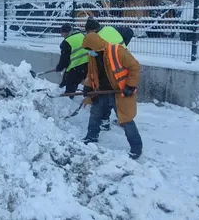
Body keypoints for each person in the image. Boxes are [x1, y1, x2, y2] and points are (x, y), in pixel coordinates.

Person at [80, 31, 143, 160]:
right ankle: (91, 137)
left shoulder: (116, 51)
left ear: (96, 46)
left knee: (126, 120)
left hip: (119, 92)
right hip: (101, 91)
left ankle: (136, 148)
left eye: (90, 49)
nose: (89, 52)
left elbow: (134, 66)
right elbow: (91, 74)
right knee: (95, 114)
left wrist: (130, 85)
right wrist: (88, 86)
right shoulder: (92, 55)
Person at [55, 23, 88, 98]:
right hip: (89, 64)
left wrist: (59, 67)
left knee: (70, 84)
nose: (61, 35)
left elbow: (64, 60)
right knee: (89, 84)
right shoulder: (81, 34)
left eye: (62, 33)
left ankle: (68, 100)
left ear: (65, 32)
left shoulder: (66, 43)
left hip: (77, 67)